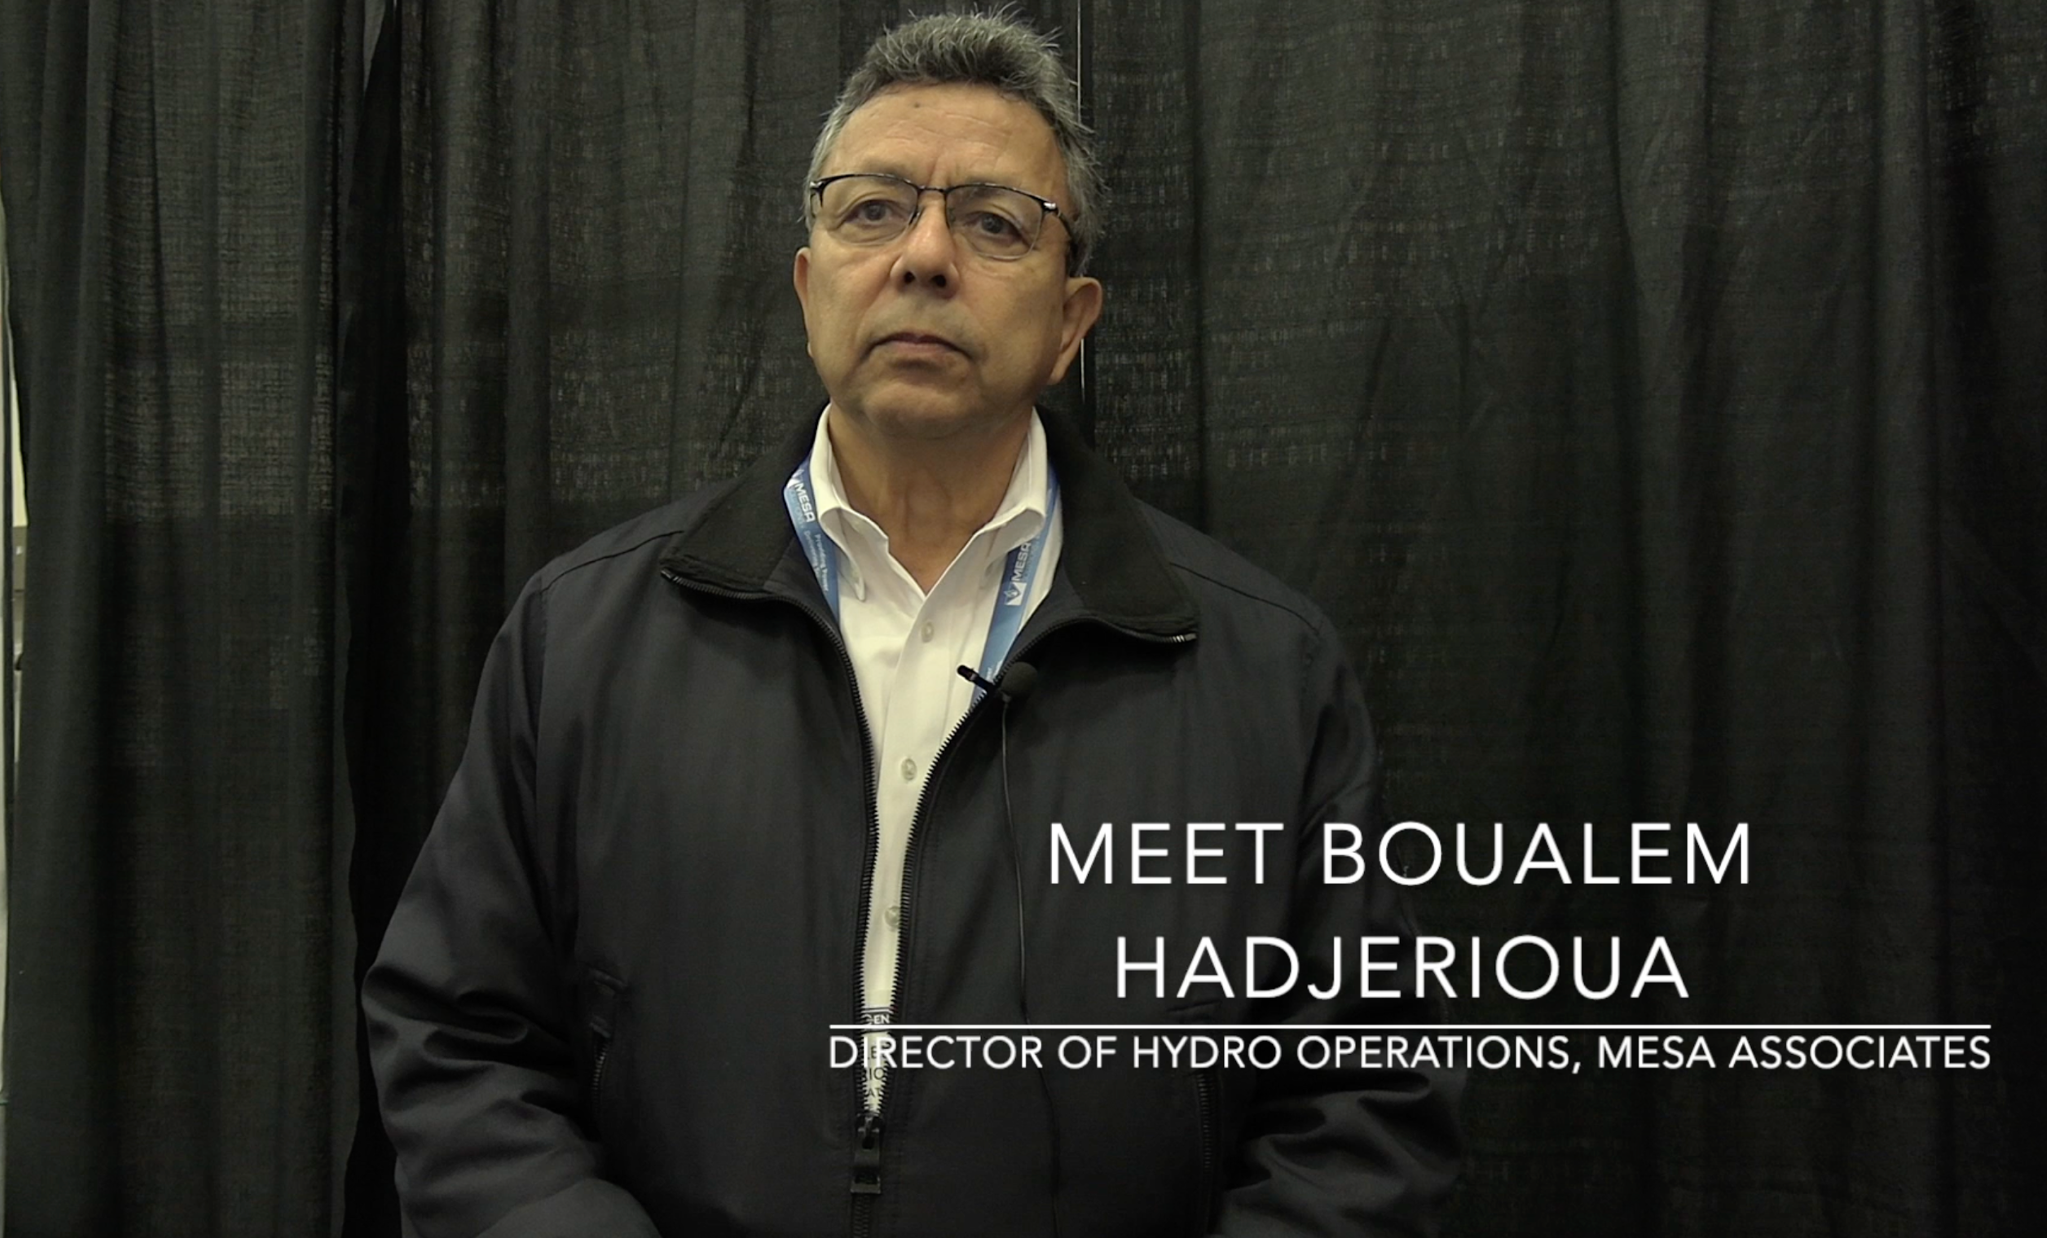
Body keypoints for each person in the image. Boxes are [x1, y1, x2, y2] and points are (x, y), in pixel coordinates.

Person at [365, 12, 1462, 1236]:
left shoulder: (1265, 672)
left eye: (995, 223)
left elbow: (1362, 1111)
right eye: (873, 209)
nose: (925, 256)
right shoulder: (581, 637)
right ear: (808, 287)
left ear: (1072, 321)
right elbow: (460, 1041)